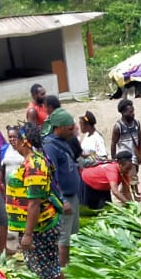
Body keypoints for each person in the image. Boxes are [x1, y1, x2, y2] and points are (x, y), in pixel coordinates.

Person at [7, 122, 65, 279]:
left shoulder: (34, 165)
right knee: (44, 270)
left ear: (25, 141)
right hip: (37, 228)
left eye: (15, 139)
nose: (12, 143)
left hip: (42, 228)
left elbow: (34, 203)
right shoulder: (31, 161)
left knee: (52, 270)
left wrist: (28, 234)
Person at [43, 109, 81, 269]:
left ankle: (66, 265)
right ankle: (62, 271)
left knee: (68, 234)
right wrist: (62, 200)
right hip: (63, 199)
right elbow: (52, 176)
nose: (73, 131)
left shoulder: (64, 141)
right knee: (62, 237)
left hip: (72, 196)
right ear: (59, 127)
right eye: (70, 128)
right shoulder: (50, 146)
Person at [111, 99, 141, 170]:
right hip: (126, 160)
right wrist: (114, 159)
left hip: (136, 159)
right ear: (123, 112)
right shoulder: (118, 127)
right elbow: (113, 143)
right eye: (130, 112)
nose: (133, 114)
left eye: (133, 111)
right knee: (133, 179)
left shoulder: (136, 123)